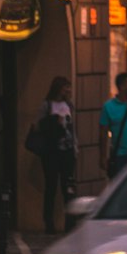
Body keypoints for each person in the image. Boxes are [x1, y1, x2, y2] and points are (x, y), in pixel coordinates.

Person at [34, 76, 78, 233]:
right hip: (51, 153)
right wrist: (55, 121)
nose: (68, 90)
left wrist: (74, 148)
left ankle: (70, 224)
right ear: (59, 88)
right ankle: (49, 223)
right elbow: (38, 126)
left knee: (68, 188)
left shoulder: (69, 105)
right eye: (66, 87)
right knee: (51, 187)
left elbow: (72, 129)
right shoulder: (47, 105)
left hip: (67, 151)